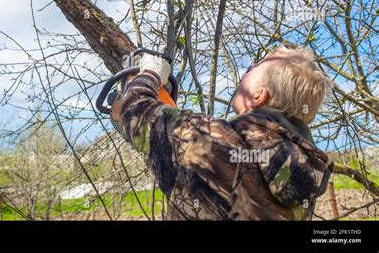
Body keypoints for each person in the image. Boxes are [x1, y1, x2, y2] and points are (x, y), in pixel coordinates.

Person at [118, 46, 334, 220]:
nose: (245, 72)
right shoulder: (302, 171)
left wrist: (150, 73)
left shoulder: (212, 139)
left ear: (259, 96)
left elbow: (136, 110)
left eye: (253, 68)